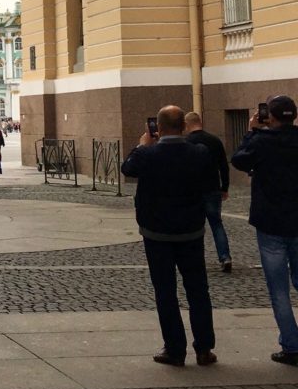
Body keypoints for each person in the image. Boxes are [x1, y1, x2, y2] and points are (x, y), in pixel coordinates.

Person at [122, 105, 217, 367]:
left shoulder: (149, 154)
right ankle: (204, 348)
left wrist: (142, 146)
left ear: (158, 129)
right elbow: (210, 183)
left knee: (165, 291)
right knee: (198, 290)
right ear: (184, 127)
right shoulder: (199, 152)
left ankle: (175, 349)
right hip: (191, 230)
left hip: (157, 233)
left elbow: (127, 168)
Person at [230, 95, 298, 365]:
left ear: (269, 116)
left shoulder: (261, 141)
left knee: (278, 289)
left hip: (270, 222)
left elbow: (238, 161)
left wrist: (251, 133)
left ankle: (292, 345)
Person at [184, 111, 232, 272]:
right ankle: (225, 256)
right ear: (200, 121)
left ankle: (196, 260)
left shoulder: (187, 142)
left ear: (186, 124)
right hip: (212, 188)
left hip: (193, 191)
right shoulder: (214, 140)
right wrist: (224, 187)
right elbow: (224, 166)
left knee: (194, 227)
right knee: (217, 224)